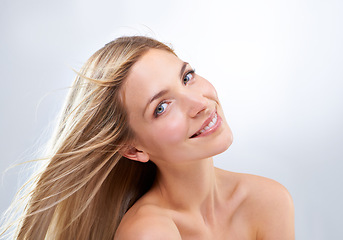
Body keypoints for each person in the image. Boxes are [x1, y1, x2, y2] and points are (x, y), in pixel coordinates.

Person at [1, 36, 294, 239]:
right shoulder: (147, 233)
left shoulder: (268, 199)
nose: (200, 103)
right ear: (133, 149)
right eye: (162, 108)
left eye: (187, 77)